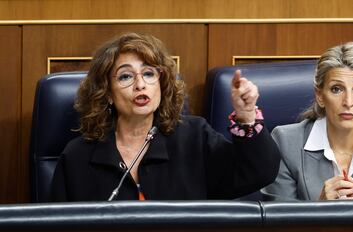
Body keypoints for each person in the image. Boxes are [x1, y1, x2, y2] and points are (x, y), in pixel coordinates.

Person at [50, 32, 280, 201]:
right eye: (125, 77)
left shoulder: (194, 138)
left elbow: (258, 172)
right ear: (107, 93)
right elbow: (58, 226)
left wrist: (246, 114)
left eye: (149, 73)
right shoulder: (77, 156)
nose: (140, 84)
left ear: (162, 84)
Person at [261, 42, 353, 201]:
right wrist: (320, 209)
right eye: (337, 89)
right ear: (320, 96)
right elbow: (279, 222)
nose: (348, 102)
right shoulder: (285, 142)